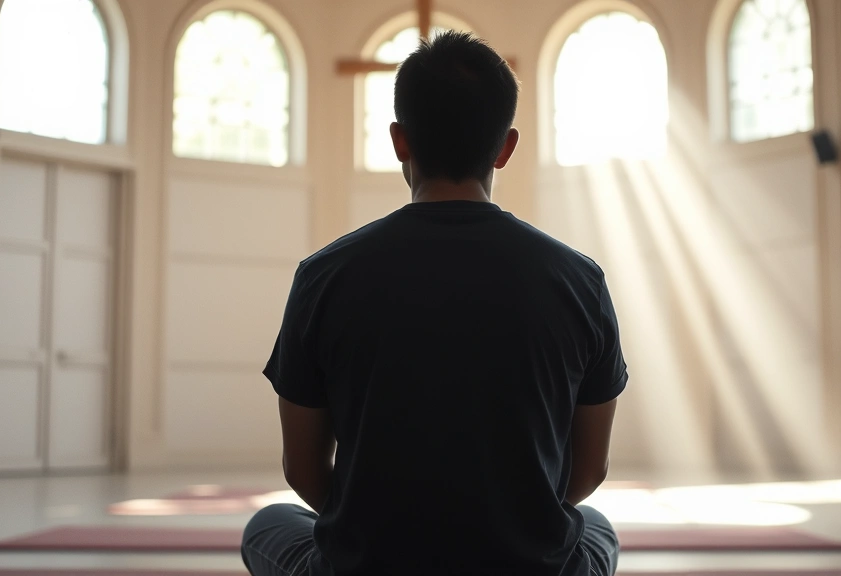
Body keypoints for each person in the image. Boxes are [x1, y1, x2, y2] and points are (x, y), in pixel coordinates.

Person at [243, 31, 627, 576]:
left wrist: (378, 531)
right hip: (527, 566)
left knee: (267, 524)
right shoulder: (579, 279)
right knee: (598, 527)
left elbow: (303, 471)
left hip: (371, 565)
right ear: (505, 147)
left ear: (400, 140)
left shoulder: (323, 276)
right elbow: (588, 472)